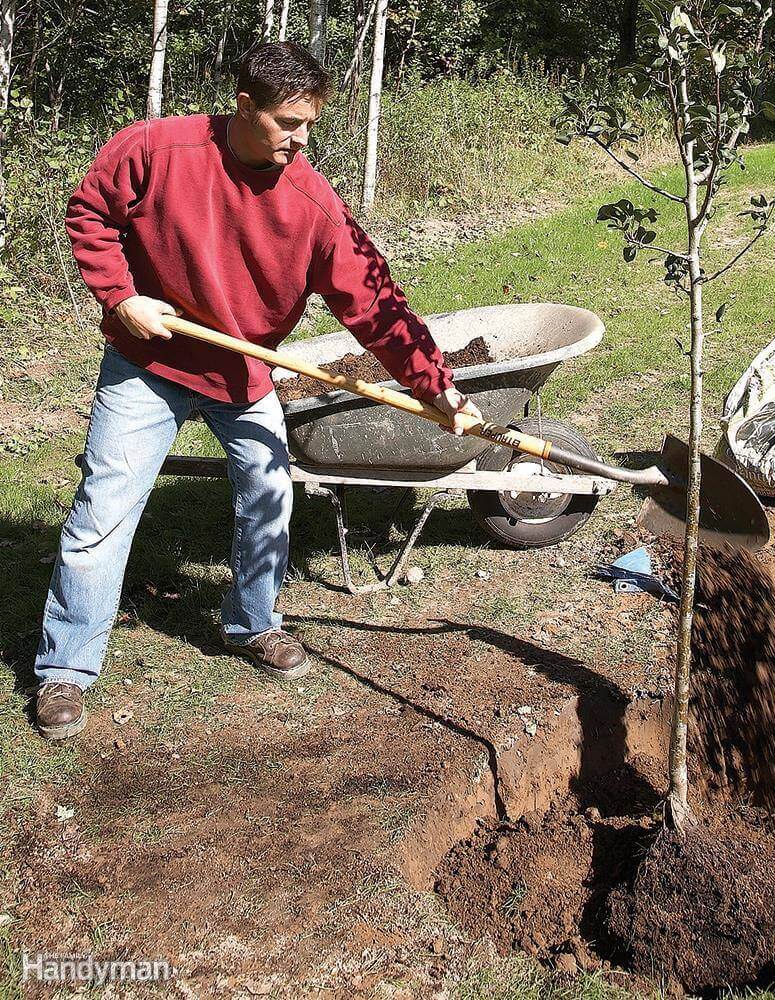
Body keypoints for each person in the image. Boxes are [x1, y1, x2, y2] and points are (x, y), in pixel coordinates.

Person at [32, 41, 482, 740]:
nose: (303, 141)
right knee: (105, 510)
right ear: (246, 106)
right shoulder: (156, 149)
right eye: (289, 124)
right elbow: (90, 214)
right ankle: (65, 668)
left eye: (310, 126)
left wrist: (438, 386)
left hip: (242, 373)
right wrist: (120, 296)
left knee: (270, 494)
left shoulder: (310, 203)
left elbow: (375, 304)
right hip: (146, 363)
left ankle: (252, 624)